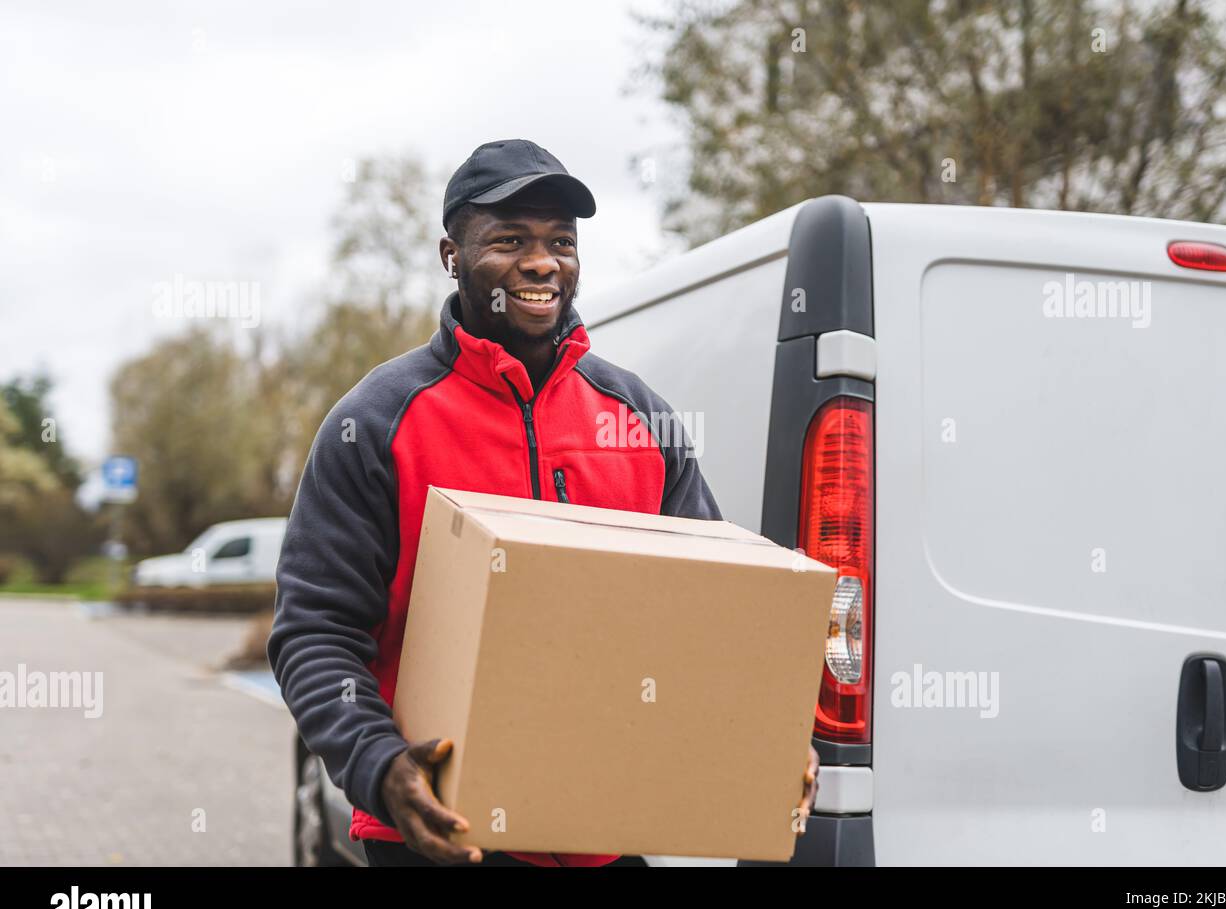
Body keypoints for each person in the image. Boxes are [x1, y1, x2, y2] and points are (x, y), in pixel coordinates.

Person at [268, 139, 818, 867]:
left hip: (608, 831)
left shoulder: (638, 417)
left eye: (561, 241)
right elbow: (315, 631)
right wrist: (378, 764)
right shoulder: (375, 422)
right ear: (451, 255)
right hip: (436, 835)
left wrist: (769, 737)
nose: (541, 262)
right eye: (510, 240)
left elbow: (712, 617)